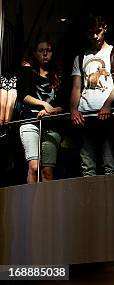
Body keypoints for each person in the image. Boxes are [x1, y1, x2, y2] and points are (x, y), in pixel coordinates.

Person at [70, 16, 114, 176]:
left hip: (108, 116)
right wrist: (73, 109)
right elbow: (76, 87)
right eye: (91, 33)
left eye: (98, 31)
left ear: (105, 29)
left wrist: (107, 105)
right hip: (85, 116)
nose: (95, 36)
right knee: (87, 167)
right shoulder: (81, 57)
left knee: (109, 164)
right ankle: (91, 200)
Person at [18, 40, 65, 183]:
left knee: (48, 172)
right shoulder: (28, 72)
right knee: (33, 167)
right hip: (30, 122)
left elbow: (64, 103)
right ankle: (31, 204)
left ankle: (47, 204)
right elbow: (23, 96)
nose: (45, 53)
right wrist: (44, 104)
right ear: (35, 53)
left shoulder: (58, 75)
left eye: (49, 50)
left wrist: (53, 110)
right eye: (41, 50)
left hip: (51, 126)